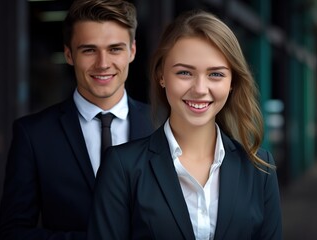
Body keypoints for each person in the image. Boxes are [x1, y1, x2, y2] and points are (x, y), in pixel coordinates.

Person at [87, 9, 283, 240]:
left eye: (216, 75)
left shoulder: (260, 169)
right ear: (161, 76)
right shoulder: (122, 167)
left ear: (232, 82)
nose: (200, 89)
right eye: (184, 73)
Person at [0, 0, 154, 239]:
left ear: (132, 51)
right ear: (69, 54)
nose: (103, 64)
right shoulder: (33, 135)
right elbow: (12, 232)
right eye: (89, 50)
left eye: (115, 49)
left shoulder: (167, 127)